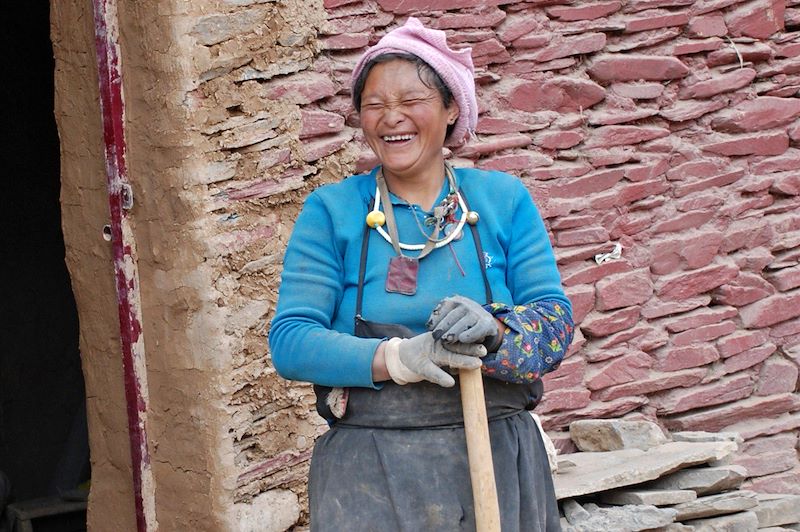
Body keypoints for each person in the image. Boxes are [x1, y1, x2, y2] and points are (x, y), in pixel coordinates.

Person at [269, 17, 574, 532]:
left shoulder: (502, 201)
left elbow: (556, 325)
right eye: (374, 105)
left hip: (498, 462)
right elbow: (291, 342)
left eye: (412, 100)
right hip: (370, 473)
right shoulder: (332, 211)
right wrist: (399, 358)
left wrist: (497, 333)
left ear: (451, 108)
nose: (392, 119)